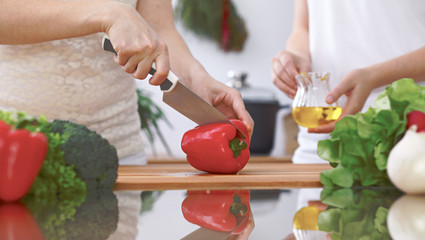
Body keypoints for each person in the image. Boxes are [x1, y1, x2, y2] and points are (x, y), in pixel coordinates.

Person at [0, 0, 254, 164]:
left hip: (119, 154)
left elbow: (158, 29)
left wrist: (195, 77)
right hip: (14, 154)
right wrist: (105, 13)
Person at [271, 0, 425, 163]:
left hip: (407, 142)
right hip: (320, 149)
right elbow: (302, 28)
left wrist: (374, 76)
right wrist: (296, 55)